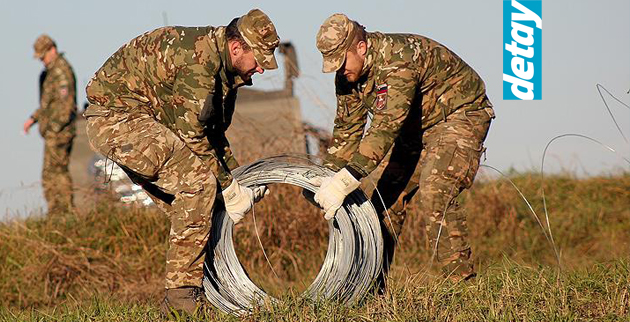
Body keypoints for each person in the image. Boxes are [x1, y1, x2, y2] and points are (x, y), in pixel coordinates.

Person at [83, 9, 278, 315]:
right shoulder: (200, 63)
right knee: (198, 184)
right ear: (237, 47)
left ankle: (206, 289)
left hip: (144, 122)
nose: (263, 69)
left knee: (194, 208)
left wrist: (238, 177)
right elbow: (192, 135)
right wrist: (228, 186)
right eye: (259, 60)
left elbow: (212, 135)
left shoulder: (224, 70)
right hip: (116, 120)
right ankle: (181, 300)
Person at [313, 14, 495, 287]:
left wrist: (346, 180)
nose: (339, 70)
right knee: (381, 204)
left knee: (435, 190)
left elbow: (385, 128)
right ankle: (371, 288)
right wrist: (323, 177)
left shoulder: (398, 59)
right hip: (413, 130)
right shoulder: (348, 77)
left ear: (361, 47)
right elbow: (347, 132)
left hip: (459, 116)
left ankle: (463, 286)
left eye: (341, 61)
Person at [23, 34, 77, 216]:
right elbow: (48, 104)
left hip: (60, 131)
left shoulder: (61, 71)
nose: (42, 61)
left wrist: (53, 128)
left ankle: (63, 211)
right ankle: (57, 212)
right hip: (53, 131)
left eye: (43, 56)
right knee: (50, 174)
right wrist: (34, 118)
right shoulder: (50, 72)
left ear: (52, 50)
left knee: (56, 172)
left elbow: (66, 105)